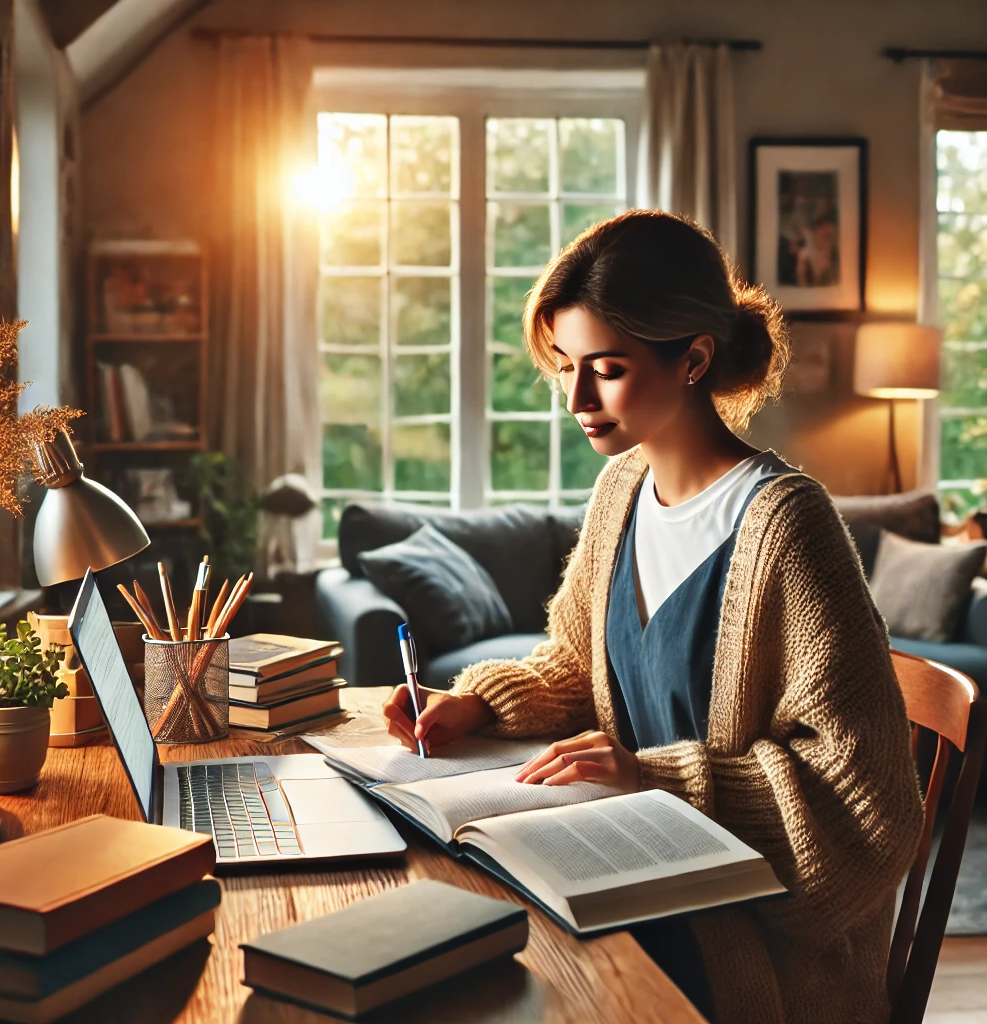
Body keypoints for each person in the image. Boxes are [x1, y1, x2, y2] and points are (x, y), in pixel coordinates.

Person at [382, 210, 923, 1024]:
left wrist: (654, 777)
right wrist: (477, 705)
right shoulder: (622, 490)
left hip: (748, 952)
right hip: (628, 878)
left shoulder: (787, 526)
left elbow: (865, 802)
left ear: (695, 358)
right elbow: (575, 660)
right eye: (564, 365)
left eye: (606, 367)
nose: (575, 397)